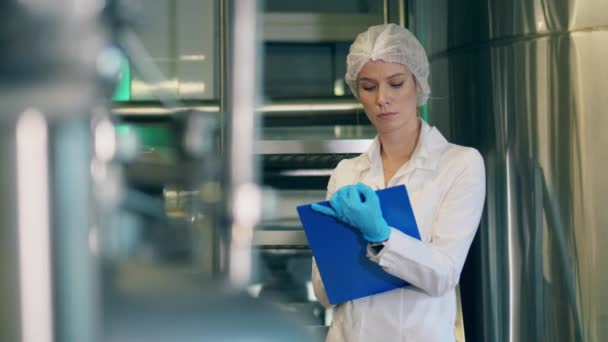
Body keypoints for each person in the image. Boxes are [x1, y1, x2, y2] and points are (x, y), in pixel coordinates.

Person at [310, 23, 486, 341]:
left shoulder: (459, 164)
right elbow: (324, 293)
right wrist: (330, 249)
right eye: (368, 86)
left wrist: (381, 237)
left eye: (395, 83)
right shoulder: (346, 173)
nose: (382, 99)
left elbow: (443, 275)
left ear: (418, 84)